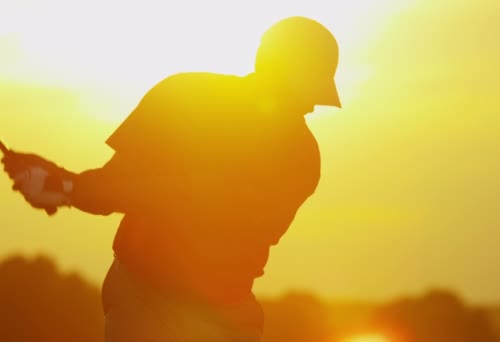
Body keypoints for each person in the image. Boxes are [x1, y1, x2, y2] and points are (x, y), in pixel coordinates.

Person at [1, 16, 341, 341]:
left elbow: (185, 198)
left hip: (214, 312)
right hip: (154, 303)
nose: (312, 107)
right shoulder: (301, 155)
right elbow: (121, 183)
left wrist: (68, 187)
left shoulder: (187, 95)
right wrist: (62, 185)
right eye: (310, 91)